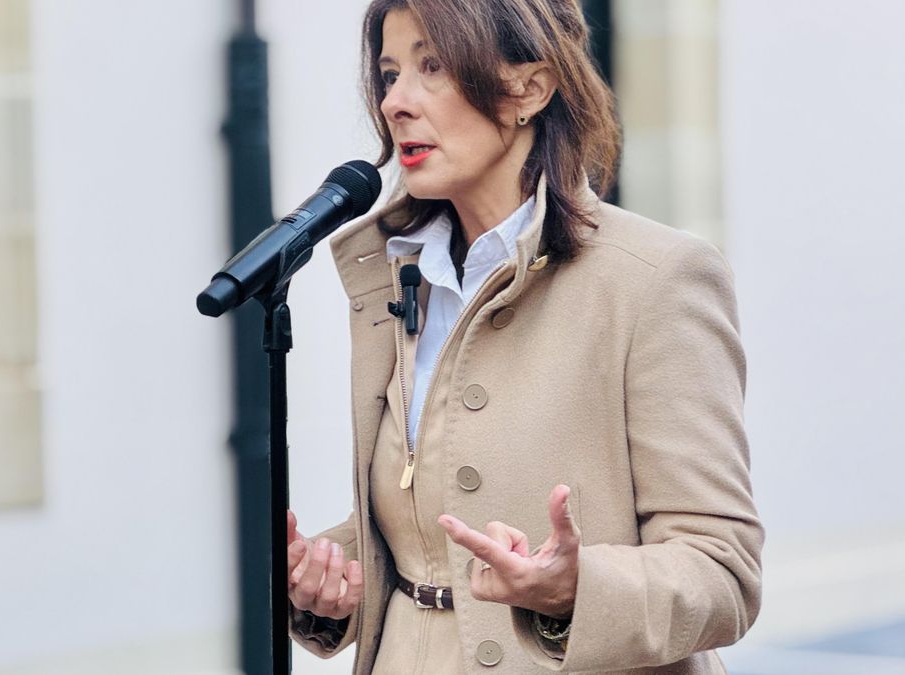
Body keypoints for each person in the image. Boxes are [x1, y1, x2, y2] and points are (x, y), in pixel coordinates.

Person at [285, 0, 763, 672]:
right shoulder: (397, 277)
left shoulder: (658, 278)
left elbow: (723, 570)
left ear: (530, 89)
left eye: (433, 66)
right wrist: (330, 575)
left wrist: (577, 590)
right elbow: (432, 530)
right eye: (390, 75)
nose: (395, 102)